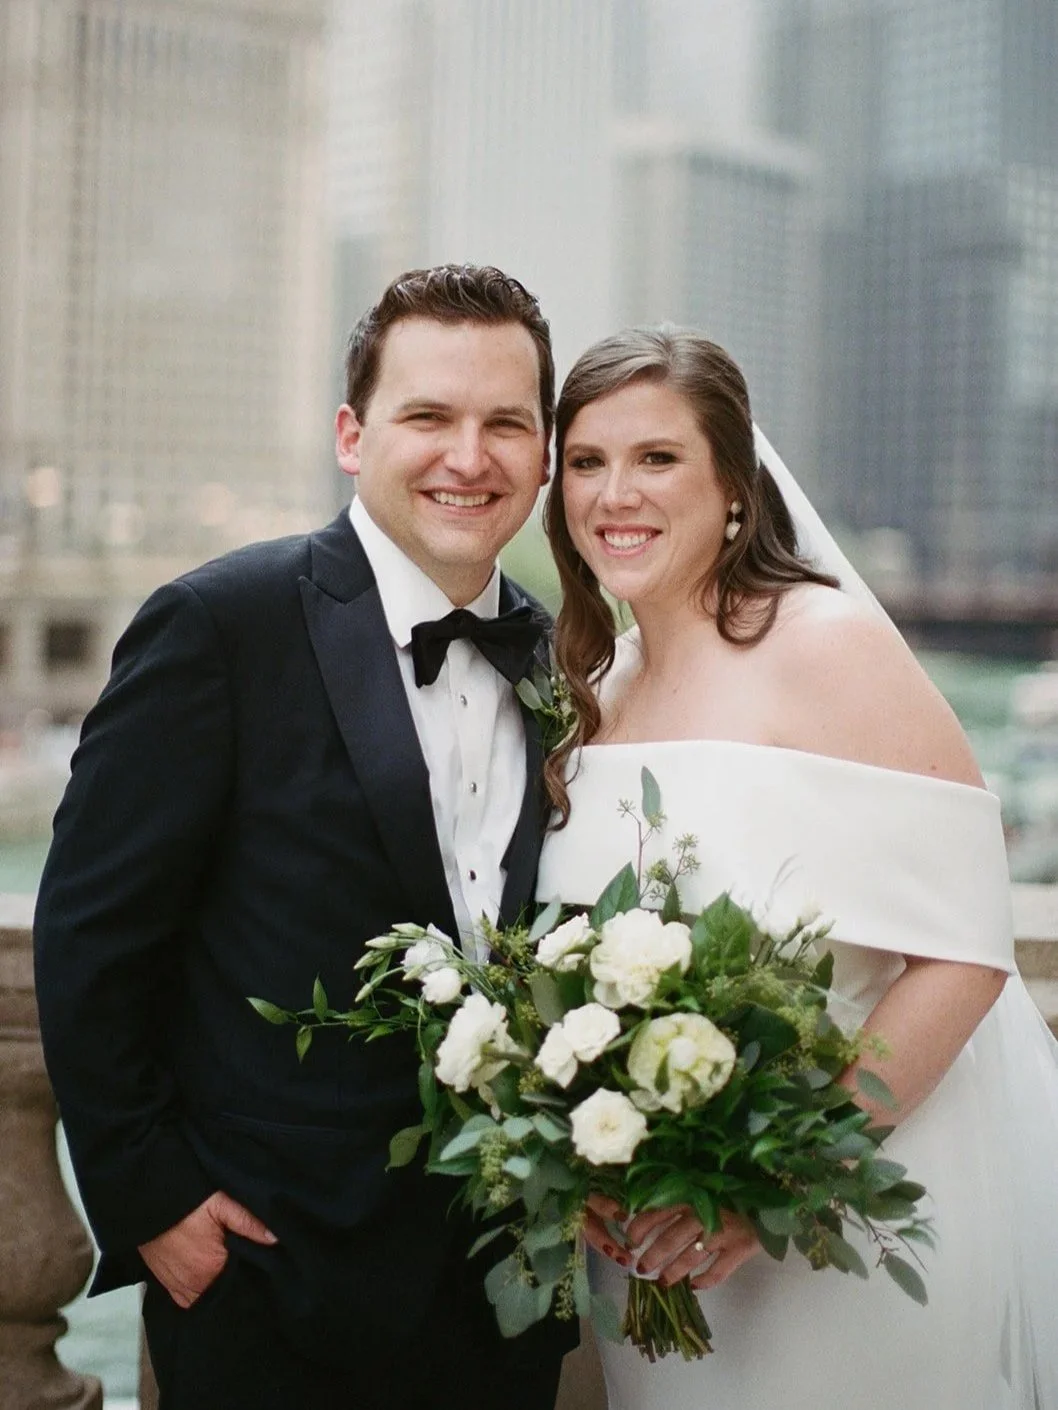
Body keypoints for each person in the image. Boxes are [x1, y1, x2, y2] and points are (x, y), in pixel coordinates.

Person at [33, 264, 576, 1410]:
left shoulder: (560, 657)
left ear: (542, 452)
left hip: (504, 1284)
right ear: (351, 433)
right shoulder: (219, 624)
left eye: (504, 424)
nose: (466, 457)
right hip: (267, 1277)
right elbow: (90, 935)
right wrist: (154, 1207)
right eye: (427, 416)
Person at [535, 325, 1058, 1409]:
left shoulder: (822, 642)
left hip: (841, 1229)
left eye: (656, 459)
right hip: (655, 1253)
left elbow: (963, 950)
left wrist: (769, 1185)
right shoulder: (595, 687)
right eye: (585, 462)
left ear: (734, 482)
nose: (613, 494)